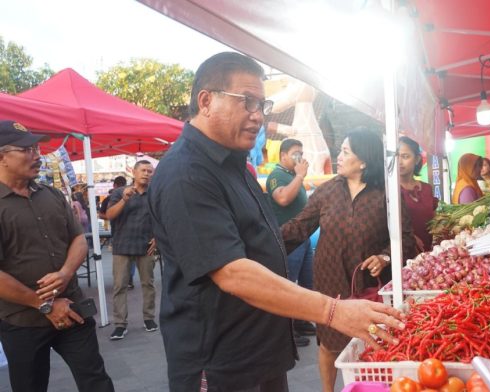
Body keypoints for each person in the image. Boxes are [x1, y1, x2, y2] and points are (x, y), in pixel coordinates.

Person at [146, 52, 406, 392]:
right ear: (206, 101)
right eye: (247, 102)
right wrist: (332, 311)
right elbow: (232, 272)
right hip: (221, 363)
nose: (257, 116)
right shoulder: (186, 173)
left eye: (262, 105)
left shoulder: (233, 165)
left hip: (261, 353)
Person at [282, 128, 417, 392]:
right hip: (329, 280)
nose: (338, 156)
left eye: (345, 151)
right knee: (329, 344)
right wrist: (262, 244)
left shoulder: (386, 194)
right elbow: (298, 228)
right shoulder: (327, 191)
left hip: (368, 286)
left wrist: (385, 256)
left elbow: (406, 238)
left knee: (371, 345)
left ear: (364, 160)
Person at [0, 120, 114, 392]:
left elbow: (78, 239)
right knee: (30, 386)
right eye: (26, 149)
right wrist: (45, 305)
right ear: (2, 156)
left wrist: (65, 273)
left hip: (72, 309)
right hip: (23, 321)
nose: (37, 155)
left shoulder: (50, 194)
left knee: (96, 382)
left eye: (37, 148)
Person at [266, 138, 315, 346]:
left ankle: (300, 320)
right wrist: (300, 176)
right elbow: (283, 198)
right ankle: (286, 330)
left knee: (306, 283)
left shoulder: (292, 175)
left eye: (301, 154)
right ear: (283, 155)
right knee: (288, 283)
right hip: (288, 240)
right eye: (295, 154)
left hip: (302, 239)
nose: (299, 158)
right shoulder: (277, 175)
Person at [105, 160, 158, 340]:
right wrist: (124, 199)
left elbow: (162, 217)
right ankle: (120, 324)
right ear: (133, 173)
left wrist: (157, 237)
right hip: (122, 245)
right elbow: (110, 215)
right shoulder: (120, 192)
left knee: (148, 284)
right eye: (143, 170)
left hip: (146, 246)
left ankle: (149, 318)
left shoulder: (154, 194)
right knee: (119, 286)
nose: (146, 174)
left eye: (150, 171)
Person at [399, 136, 438, 251]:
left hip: (428, 251)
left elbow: (433, 219)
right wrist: (411, 237)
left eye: (405, 156)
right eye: (396, 156)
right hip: (402, 251)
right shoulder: (388, 191)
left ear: (417, 159)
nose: (399, 162)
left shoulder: (426, 188)